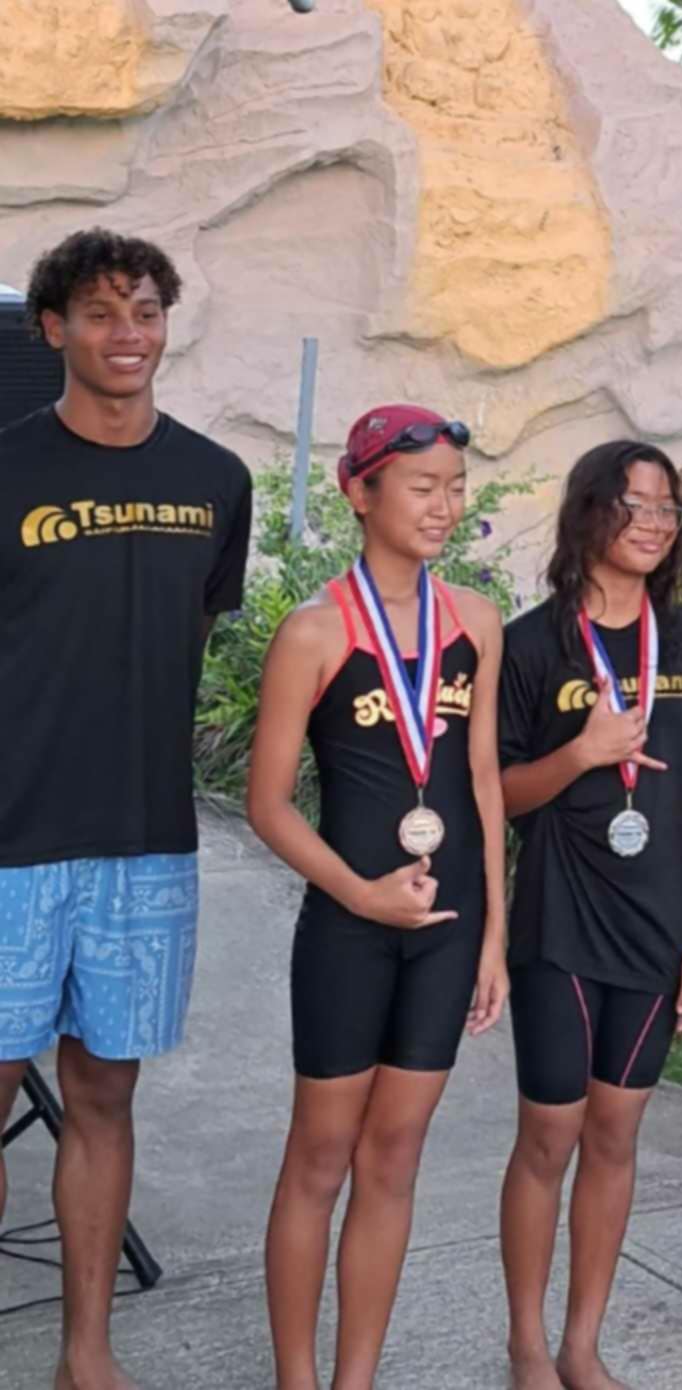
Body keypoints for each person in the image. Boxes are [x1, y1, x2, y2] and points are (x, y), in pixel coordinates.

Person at [0, 228, 252, 1390]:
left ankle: (86, 1353)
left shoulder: (215, 481)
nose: (128, 334)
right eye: (101, 313)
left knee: (105, 1093)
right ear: (53, 328)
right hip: (9, 838)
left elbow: (191, 630)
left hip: (145, 844)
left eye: (145, 311)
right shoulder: (7, 468)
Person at [247, 404, 507, 1390]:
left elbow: (481, 784)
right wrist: (359, 893)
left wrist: (494, 935)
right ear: (360, 493)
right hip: (348, 929)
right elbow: (267, 803)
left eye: (456, 488)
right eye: (422, 487)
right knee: (320, 1155)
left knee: (395, 1155)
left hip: (447, 929)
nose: (444, 506)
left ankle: (356, 1378)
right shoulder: (314, 632)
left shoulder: (475, 622)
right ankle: (297, 1379)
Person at [497, 441, 682, 1390]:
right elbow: (498, 793)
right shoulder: (531, 643)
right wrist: (583, 754)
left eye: (668, 510)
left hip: (659, 927)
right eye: (635, 505)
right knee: (550, 1134)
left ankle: (582, 1344)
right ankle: (527, 1344)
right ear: (589, 511)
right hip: (561, 920)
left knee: (617, 1135)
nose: (653, 524)